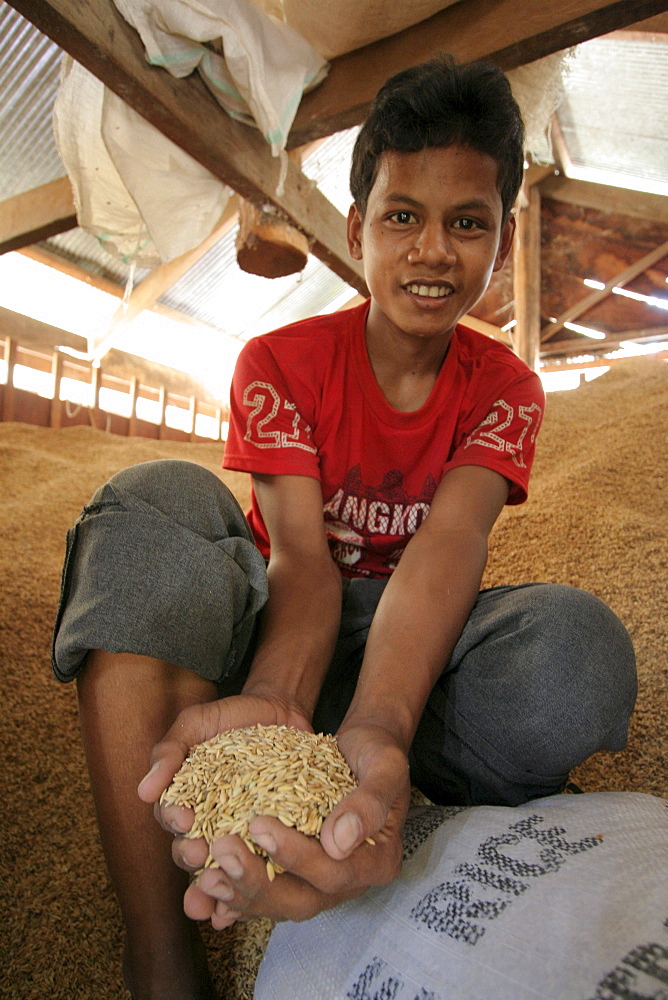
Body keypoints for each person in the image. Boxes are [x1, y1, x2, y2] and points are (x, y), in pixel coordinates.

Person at [52, 55, 637, 1000]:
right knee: (155, 497)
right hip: (274, 627)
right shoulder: (278, 360)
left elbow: (448, 549)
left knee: (574, 654)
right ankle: (162, 950)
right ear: (359, 228)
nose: (434, 251)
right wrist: (282, 698)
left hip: (406, 645)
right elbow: (301, 560)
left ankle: (366, 767)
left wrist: (380, 722)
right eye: (403, 216)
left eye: (467, 223)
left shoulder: (506, 388)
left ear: (501, 237)